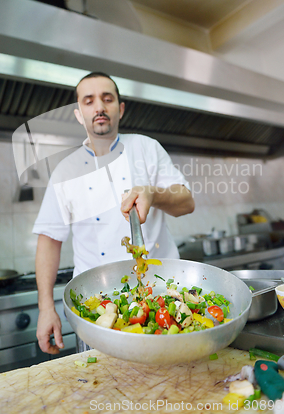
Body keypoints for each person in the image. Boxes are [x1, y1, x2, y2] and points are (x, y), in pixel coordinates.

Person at [33, 72, 195, 354]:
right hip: (96, 305)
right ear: (79, 114)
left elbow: (186, 202)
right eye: (89, 101)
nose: (99, 107)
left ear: (120, 109)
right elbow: (49, 239)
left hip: (162, 297)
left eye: (107, 99)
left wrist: (153, 194)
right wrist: (45, 307)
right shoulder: (66, 170)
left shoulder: (146, 148)